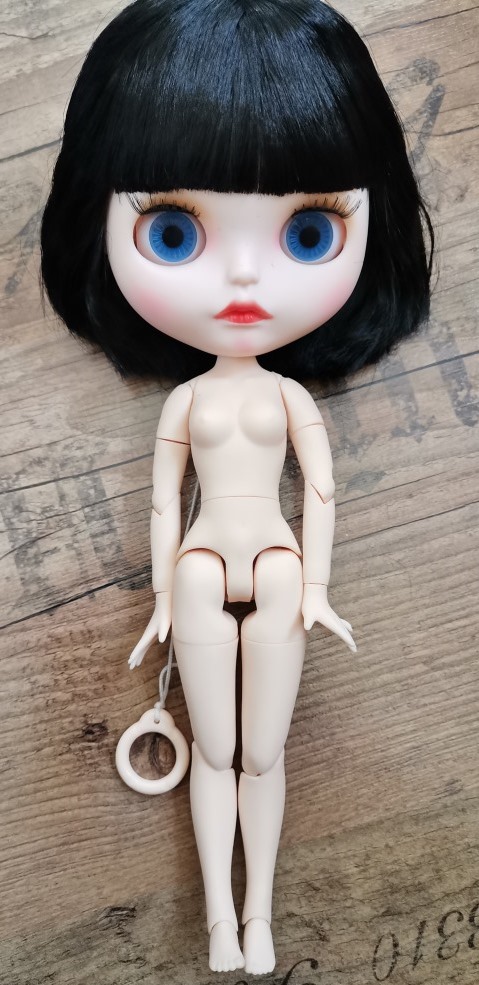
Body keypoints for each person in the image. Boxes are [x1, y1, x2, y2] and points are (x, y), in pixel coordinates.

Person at [41, 0, 433, 974]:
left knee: (263, 752)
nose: (245, 280)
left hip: (281, 565)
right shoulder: (188, 402)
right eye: (175, 233)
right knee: (213, 751)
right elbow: (160, 502)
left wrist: (321, 590)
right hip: (199, 566)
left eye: (309, 231)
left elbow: (323, 491)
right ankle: (220, 919)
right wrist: (154, 603)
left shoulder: (288, 395)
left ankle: (258, 917)